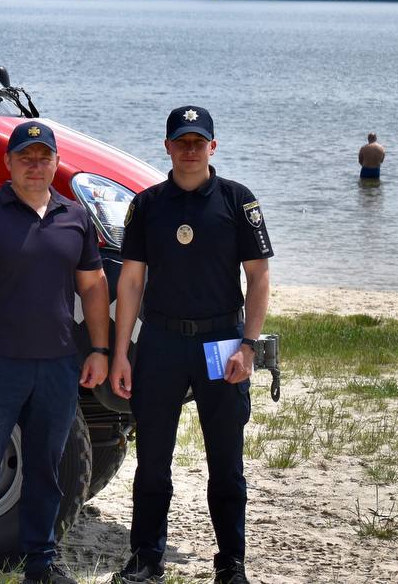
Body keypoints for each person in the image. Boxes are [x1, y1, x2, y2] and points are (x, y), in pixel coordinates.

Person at [108, 106, 273, 584]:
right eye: (182, 141)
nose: (190, 149)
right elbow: (132, 281)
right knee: (152, 462)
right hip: (160, 340)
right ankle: (146, 559)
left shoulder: (237, 201)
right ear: (167, 147)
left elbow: (258, 277)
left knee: (226, 461)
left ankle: (231, 563)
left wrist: (249, 344)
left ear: (213, 147)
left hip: (222, 341)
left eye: (198, 142)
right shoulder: (147, 204)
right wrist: (121, 351)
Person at [0, 122, 112, 584]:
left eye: (43, 157)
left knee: (46, 467)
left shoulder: (75, 218)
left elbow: (93, 287)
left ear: (56, 163)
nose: (35, 166)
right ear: (8, 163)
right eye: (25, 157)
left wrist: (99, 348)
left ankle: (41, 561)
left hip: (57, 364)